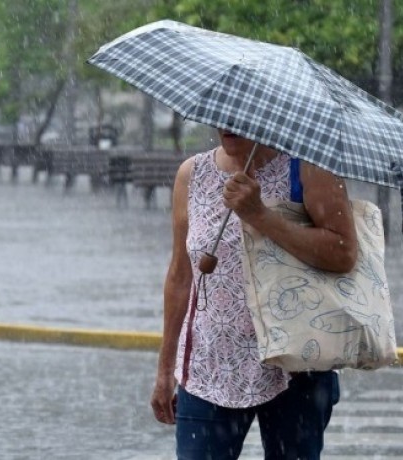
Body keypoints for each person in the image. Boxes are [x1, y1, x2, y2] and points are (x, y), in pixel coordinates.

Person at [151, 128, 358, 460]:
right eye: (220, 113)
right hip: (210, 364)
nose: (227, 123)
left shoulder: (308, 169)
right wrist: (165, 370)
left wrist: (259, 215)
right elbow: (180, 275)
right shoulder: (192, 174)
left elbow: (343, 253)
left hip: (295, 362)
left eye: (237, 116)